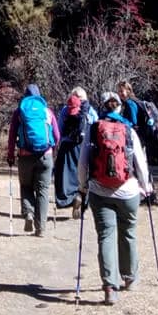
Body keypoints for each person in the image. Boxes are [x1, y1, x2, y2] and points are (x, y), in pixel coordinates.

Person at [78, 91, 154, 305]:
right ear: (120, 108)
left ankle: (110, 288)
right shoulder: (129, 130)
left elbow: (83, 163)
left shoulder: (93, 129)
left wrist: (83, 187)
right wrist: (146, 187)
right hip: (128, 190)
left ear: (103, 108)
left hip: (100, 191)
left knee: (106, 236)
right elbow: (140, 161)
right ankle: (129, 277)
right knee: (128, 233)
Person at [6, 83, 61, 236]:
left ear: (25, 95)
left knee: (26, 186)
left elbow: (11, 136)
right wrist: (52, 148)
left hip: (25, 156)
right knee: (43, 191)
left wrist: (10, 154)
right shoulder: (47, 111)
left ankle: (29, 213)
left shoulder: (19, 112)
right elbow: (57, 136)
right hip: (45, 155)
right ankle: (41, 228)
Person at [54, 87, 98, 218]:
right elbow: (96, 127)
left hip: (67, 146)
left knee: (65, 176)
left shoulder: (66, 110)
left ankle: (69, 198)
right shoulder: (90, 111)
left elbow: (59, 129)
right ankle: (82, 201)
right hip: (85, 146)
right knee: (84, 175)